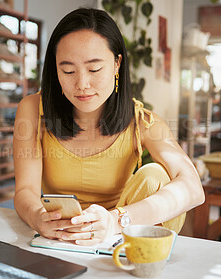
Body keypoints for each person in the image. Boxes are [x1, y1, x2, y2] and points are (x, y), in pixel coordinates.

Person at [13, 8, 204, 246]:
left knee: (154, 175)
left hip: (120, 237)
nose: (82, 84)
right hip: (59, 237)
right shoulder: (33, 110)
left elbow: (193, 187)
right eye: (68, 70)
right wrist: (38, 218)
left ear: (117, 64)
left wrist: (116, 220)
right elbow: (25, 191)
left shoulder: (141, 121)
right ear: (55, 70)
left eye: (94, 69)